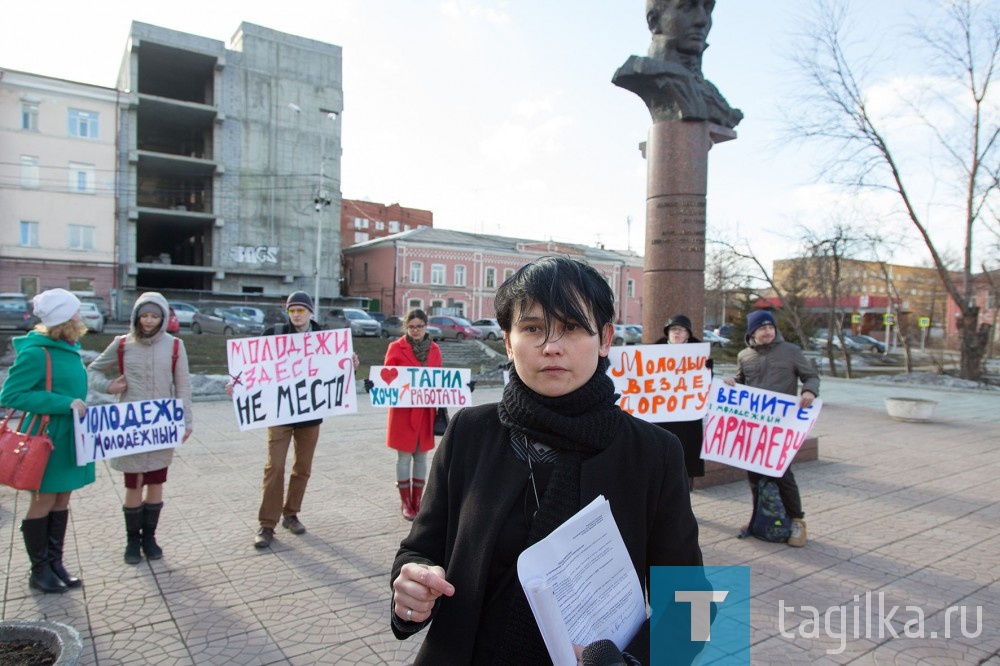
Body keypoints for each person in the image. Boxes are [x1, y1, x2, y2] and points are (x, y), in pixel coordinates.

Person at [390, 256, 703, 664]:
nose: (551, 346)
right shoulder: (470, 432)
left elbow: (692, 607)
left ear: (605, 339)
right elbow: (420, 550)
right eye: (533, 328)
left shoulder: (653, 453)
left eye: (571, 327)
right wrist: (413, 587)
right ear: (507, 340)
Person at [227, 291, 358, 549]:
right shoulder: (274, 335)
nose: (296, 315)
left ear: (311, 312)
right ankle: (267, 524)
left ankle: (291, 514)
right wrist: (236, 385)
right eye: (292, 311)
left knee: (303, 467)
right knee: (274, 466)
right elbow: (251, 369)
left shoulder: (327, 339)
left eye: (301, 310)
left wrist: (350, 364)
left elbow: (337, 371)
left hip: (310, 415)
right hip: (279, 414)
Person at [87, 292, 193, 565]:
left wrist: (186, 420)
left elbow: (183, 386)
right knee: (133, 483)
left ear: (163, 317)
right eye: (144, 315)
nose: (149, 321)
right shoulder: (122, 344)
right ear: (136, 317)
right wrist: (109, 386)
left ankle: (150, 538)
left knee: (156, 481)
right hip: (130, 426)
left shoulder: (174, 346)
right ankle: (132, 540)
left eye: (154, 316)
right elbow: (92, 371)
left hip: (161, 424)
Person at [0, 289, 95, 593]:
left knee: (62, 498)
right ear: (65, 318)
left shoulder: (67, 347)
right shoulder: (36, 352)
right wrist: (62, 403)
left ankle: (55, 563)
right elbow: (11, 394)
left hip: (70, 436)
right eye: (76, 312)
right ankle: (39, 571)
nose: (80, 316)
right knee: (44, 499)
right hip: (47, 437)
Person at [724, 310, 819, 548]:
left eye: (770, 327)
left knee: (782, 473)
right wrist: (732, 384)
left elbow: (811, 376)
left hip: (781, 426)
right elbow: (742, 383)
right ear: (752, 332)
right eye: (761, 328)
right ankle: (758, 519)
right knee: (754, 476)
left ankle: (797, 521)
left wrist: (809, 391)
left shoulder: (791, 352)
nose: (767, 331)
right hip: (754, 428)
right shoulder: (744, 356)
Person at [382, 308, 442, 521]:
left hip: (425, 411)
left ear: (426, 327)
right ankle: (405, 502)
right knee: (404, 457)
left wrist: (462, 387)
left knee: (421, 456)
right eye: (411, 327)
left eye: (420, 326)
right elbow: (386, 378)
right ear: (406, 327)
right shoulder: (396, 348)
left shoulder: (434, 349)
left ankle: (418, 501)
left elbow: (441, 380)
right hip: (403, 412)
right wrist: (376, 384)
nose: (416, 330)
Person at [653, 314, 712, 491]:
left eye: (681, 329)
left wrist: (709, 369)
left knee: (686, 459)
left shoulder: (699, 354)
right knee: (660, 457)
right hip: (661, 414)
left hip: (687, 416)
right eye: (673, 329)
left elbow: (707, 383)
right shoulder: (653, 352)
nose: (676, 333)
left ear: (688, 334)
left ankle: (685, 493)